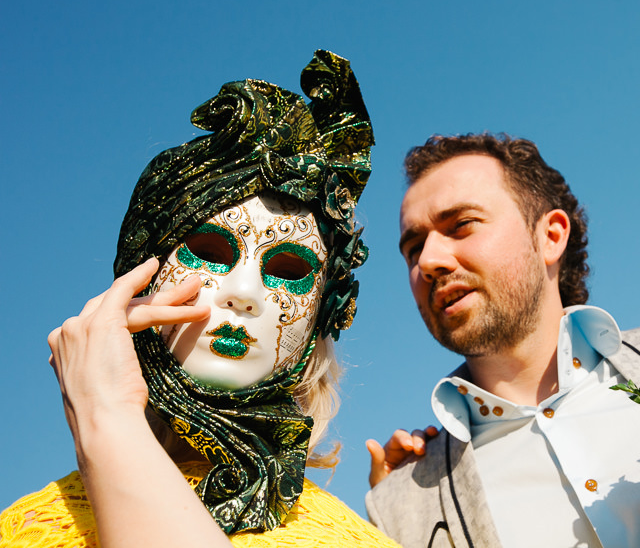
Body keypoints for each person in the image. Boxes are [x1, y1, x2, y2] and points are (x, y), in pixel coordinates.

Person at [0, 50, 399, 548]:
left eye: (289, 271)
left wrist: (105, 419)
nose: (244, 293)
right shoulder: (26, 532)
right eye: (210, 252)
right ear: (141, 272)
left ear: (323, 314)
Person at [365, 134, 640, 547]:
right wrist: (405, 508)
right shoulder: (401, 506)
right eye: (414, 249)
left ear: (551, 236)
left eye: (461, 225)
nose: (430, 261)